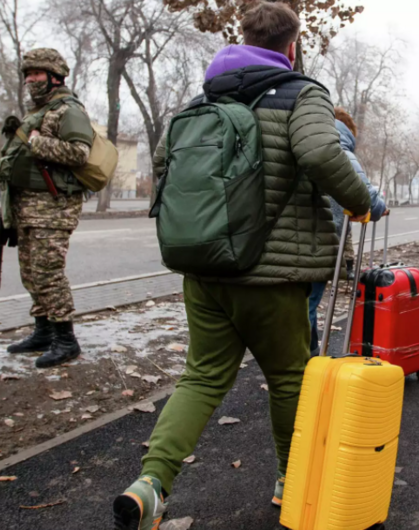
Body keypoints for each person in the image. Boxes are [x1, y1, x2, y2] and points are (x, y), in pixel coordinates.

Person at [112, 4, 372, 529]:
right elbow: (322, 154)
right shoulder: (303, 93)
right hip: (270, 276)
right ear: (292, 46)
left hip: (205, 271)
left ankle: (151, 484)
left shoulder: (204, 96)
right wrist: (360, 200)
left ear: (243, 38)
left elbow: (165, 163)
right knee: (289, 379)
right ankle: (288, 478)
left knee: (202, 377)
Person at [0, 48, 91, 368]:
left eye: (36, 74)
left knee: (49, 274)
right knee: (31, 274)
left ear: (54, 76)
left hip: (54, 209)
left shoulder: (69, 109)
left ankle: (66, 340)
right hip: (27, 207)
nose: (29, 80)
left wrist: (38, 143)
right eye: (27, 75)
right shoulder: (35, 112)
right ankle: (43, 331)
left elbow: (80, 153)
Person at [307, 107, 387, 357]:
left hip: (286, 238)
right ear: (348, 131)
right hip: (320, 241)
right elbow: (368, 199)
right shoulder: (340, 150)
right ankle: (304, 362)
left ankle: (305, 353)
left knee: (295, 302)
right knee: (308, 303)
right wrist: (381, 207)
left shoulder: (303, 142)